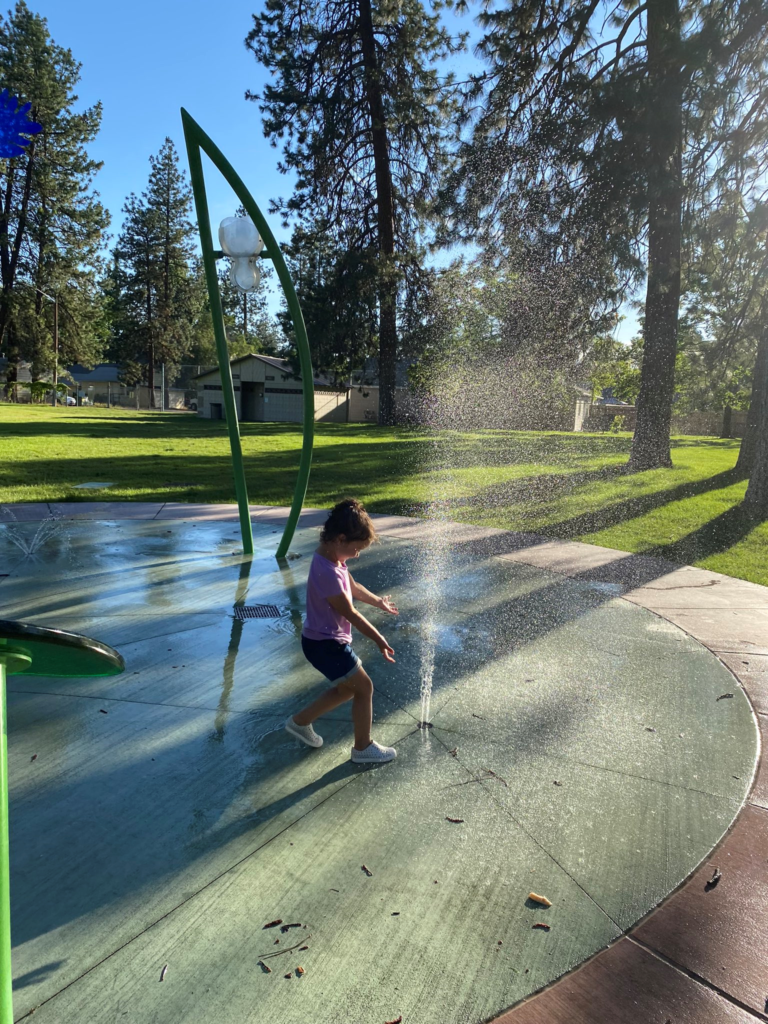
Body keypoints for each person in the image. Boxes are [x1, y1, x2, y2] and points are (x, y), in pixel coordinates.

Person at [285, 498, 399, 764]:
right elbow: (351, 614)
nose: (358, 554)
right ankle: (363, 748)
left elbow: (355, 587)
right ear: (340, 538)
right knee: (364, 688)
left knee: (348, 690)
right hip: (327, 646)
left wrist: (378, 601)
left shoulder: (332, 558)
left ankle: (300, 722)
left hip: (321, 642)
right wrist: (379, 639)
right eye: (357, 548)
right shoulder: (328, 572)